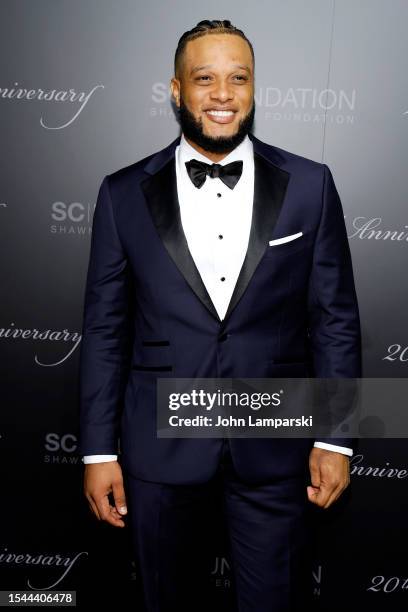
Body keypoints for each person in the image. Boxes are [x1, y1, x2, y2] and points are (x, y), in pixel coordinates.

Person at [79, 19, 362, 612]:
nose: (223, 94)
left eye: (238, 78)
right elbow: (106, 331)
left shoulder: (310, 185)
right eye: (204, 78)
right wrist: (99, 453)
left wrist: (337, 438)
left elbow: (335, 318)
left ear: (255, 89)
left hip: (275, 449)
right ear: (176, 90)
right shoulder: (122, 193)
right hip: (159, 451)